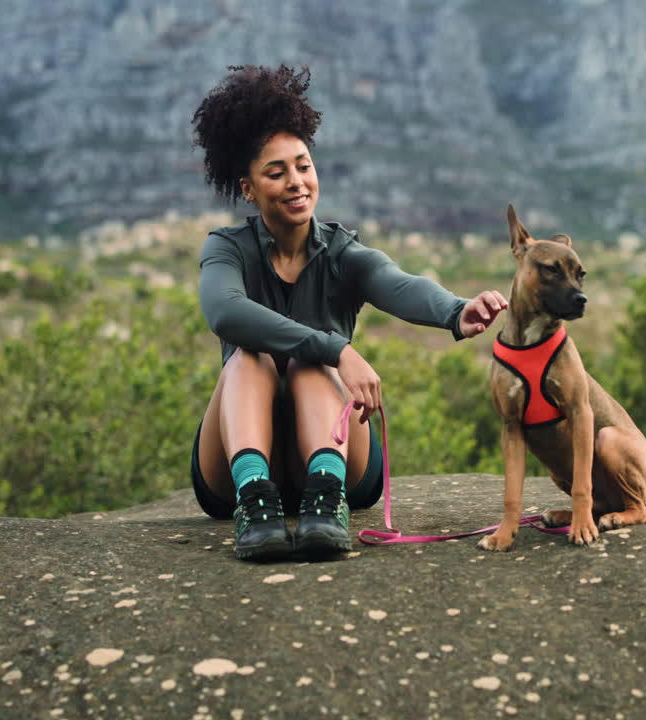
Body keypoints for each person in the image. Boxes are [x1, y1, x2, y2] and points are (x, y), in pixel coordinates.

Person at [188, 65, 506, 561]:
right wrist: (338, 348)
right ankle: (255, 498)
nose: (296, 182)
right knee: (252, 358)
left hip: (336, 459)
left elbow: (396, 282)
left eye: (304, 166)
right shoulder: (226, 249)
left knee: (310, 365)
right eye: (276, 172)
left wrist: (456, 310)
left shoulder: (341, 251)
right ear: (247, 187)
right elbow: (225, 313)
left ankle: (324, 497)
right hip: (242, 467)